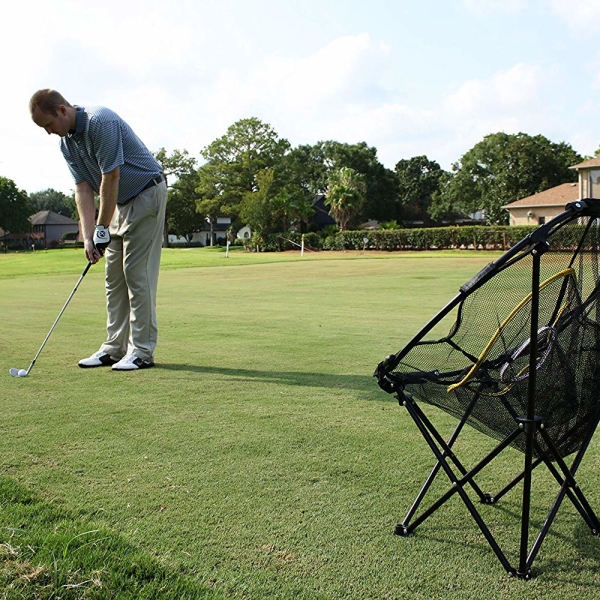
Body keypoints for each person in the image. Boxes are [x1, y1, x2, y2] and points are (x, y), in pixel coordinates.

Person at [29, 89, 168, 371]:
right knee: (113, 276)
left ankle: (141, 351)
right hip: (119, 201)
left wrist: (102, 228)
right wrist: (89, 235)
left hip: (146, 193)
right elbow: (82, 189)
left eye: (48, 125)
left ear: (61, 111)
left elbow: (111, 176)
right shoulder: (67, 144)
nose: (48, 132)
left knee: (136, 273)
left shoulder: (100, 122)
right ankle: (114, 348)